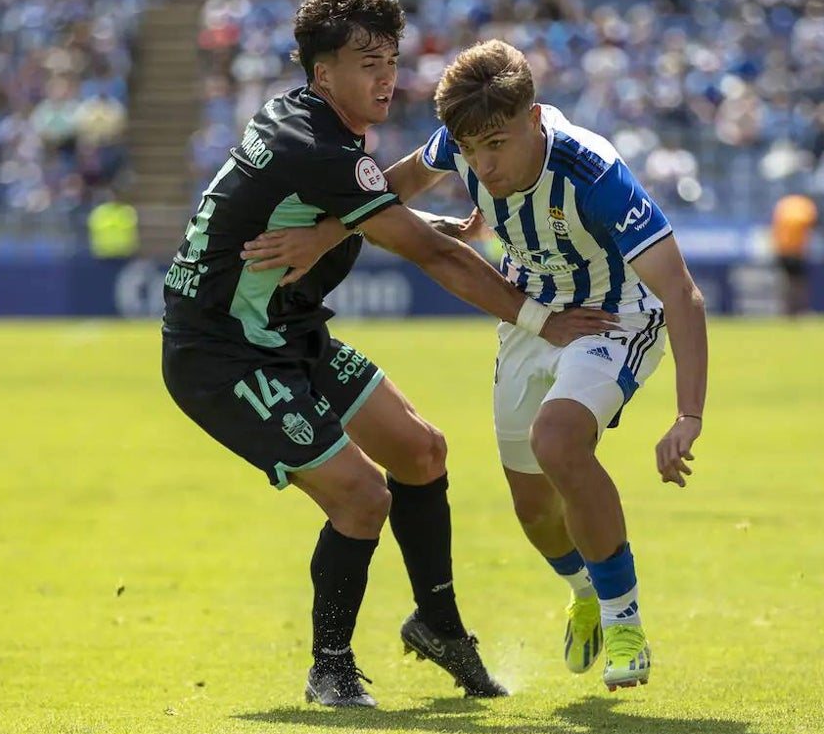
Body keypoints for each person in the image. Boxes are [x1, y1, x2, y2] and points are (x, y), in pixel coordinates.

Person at [161, 0, 614, 708]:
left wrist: (377, 226)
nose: (386, 76)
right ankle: (330, 667)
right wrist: (539, 318)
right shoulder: (320, 148)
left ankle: (437, 625)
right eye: (366, 61)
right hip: (225, 352)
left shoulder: (307, 126)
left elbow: (371, 206)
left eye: (391, 59)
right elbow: (426, 254)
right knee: (362, 496)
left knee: (421, 450)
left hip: (291, 336)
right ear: (322, 74)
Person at [241, 39, 709, 692]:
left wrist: (688, 414)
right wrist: (324, 234)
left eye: (497, 143)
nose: (483, 165)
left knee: (559, 443)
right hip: (527, 319)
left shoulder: (595, 176)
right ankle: (584, 591)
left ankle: (624, 621)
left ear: (535, 119)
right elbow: (388, 188)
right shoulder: (457, 145)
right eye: (470, 148)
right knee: (533, 510)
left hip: (613, 318)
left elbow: (682, 293)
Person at [770, 193, 818, 316]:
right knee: (798, 283)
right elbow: (812, 224)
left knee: (787, 283)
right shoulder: (805, 207)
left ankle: (788, 311)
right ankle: (799, 310)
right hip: (796, 251)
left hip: (782, 250)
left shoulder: (783, 205)